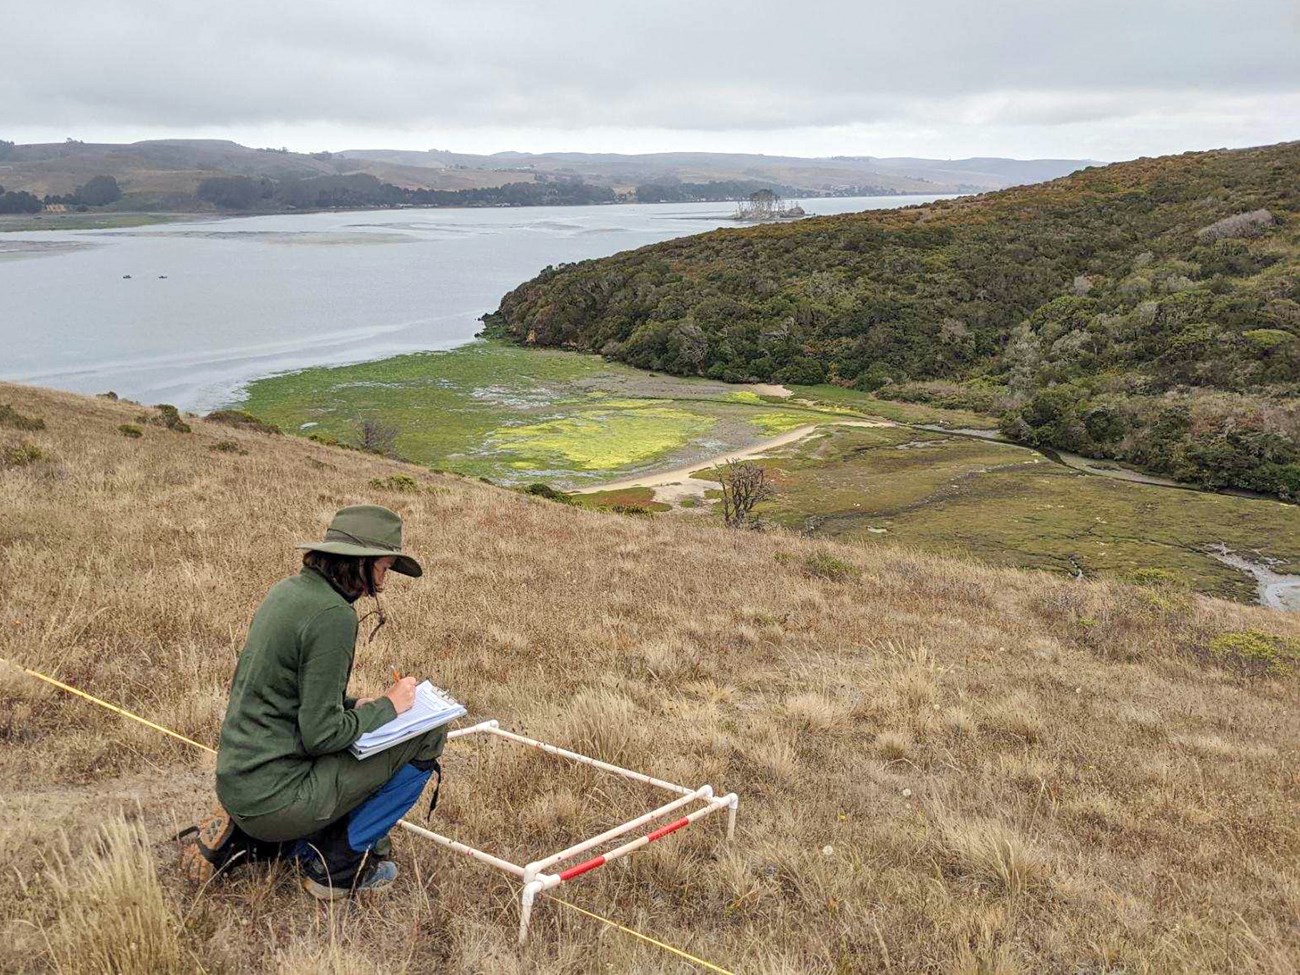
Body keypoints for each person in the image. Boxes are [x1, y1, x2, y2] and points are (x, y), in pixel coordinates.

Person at [179, 504, 445, 899]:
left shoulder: (287, 591)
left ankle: (259, 840)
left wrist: (356, 705)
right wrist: (388, 706)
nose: (383, 584)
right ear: (362, 563)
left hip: (239, 776)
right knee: (430, 731)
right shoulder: (333, 615)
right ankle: (335, 869)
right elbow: (322, 735)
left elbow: (286, 694)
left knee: (372, 733)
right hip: (277, 793)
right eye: (384, 569)